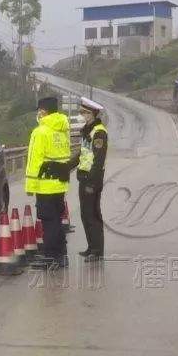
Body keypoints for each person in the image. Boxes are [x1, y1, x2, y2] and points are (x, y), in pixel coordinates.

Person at [25, 97, 72, 269]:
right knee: (57, 220)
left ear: (43, 111)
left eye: (39, 110)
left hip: (45, 185)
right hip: (60, 184)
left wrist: (30, 186)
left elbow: (34, 161)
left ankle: (50, 257)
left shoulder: (40, 132)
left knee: (49, 222)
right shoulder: (62, 129)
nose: (38, 113)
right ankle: (61, 256)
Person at [76, 97, 108, 262]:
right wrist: (66, 167)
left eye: (85, 112)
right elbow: (82, 154)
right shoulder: (87, 130)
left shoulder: (99, 132)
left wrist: (92, 184)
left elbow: (98, 160)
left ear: (93, 114)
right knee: (85, 214)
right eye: (81, 111)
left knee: (93, 215)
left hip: (92, 180)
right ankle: (91, 247)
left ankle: (97, 251)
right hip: (84, 177)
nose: (82, 115)